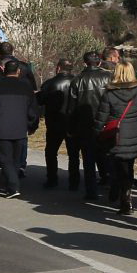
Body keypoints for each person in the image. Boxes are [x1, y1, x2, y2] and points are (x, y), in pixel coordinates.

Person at [0, 57, 39, 197]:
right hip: (20, 128)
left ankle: (13, 186)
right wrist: (32, 126)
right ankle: (12, 184)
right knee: (15, 159)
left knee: (5, 159)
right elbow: (33, 110)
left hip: (0, 128)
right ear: (18, 71)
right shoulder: (26, 87)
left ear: (3, 70)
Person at [98, 59, 137, 214]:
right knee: (128, 165)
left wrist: (97, 132)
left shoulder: (109, 94)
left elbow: (102, 117)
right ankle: (126, 195)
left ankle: (120, 192)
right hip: (135, 133)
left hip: (116, 134)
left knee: (117, 164)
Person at [66, 50, 114, 205]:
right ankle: (111, 185)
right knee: (108, 155)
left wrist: (71, 128)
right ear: (99, 62)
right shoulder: (108, 77)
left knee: (88, 159)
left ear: (84, 63)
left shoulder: (77, 80)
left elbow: (71, 108)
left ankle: (91, 190)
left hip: (85, 124)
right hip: (106, 122)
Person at [38, 59, 78, 189]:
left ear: (58, 68)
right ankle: (74, 181)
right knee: (73, 154)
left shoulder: (50, 83)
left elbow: (40, 100)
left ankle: (52, 179)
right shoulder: (78, 82)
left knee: (51, 152)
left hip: (54, 122)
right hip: (73, 122)